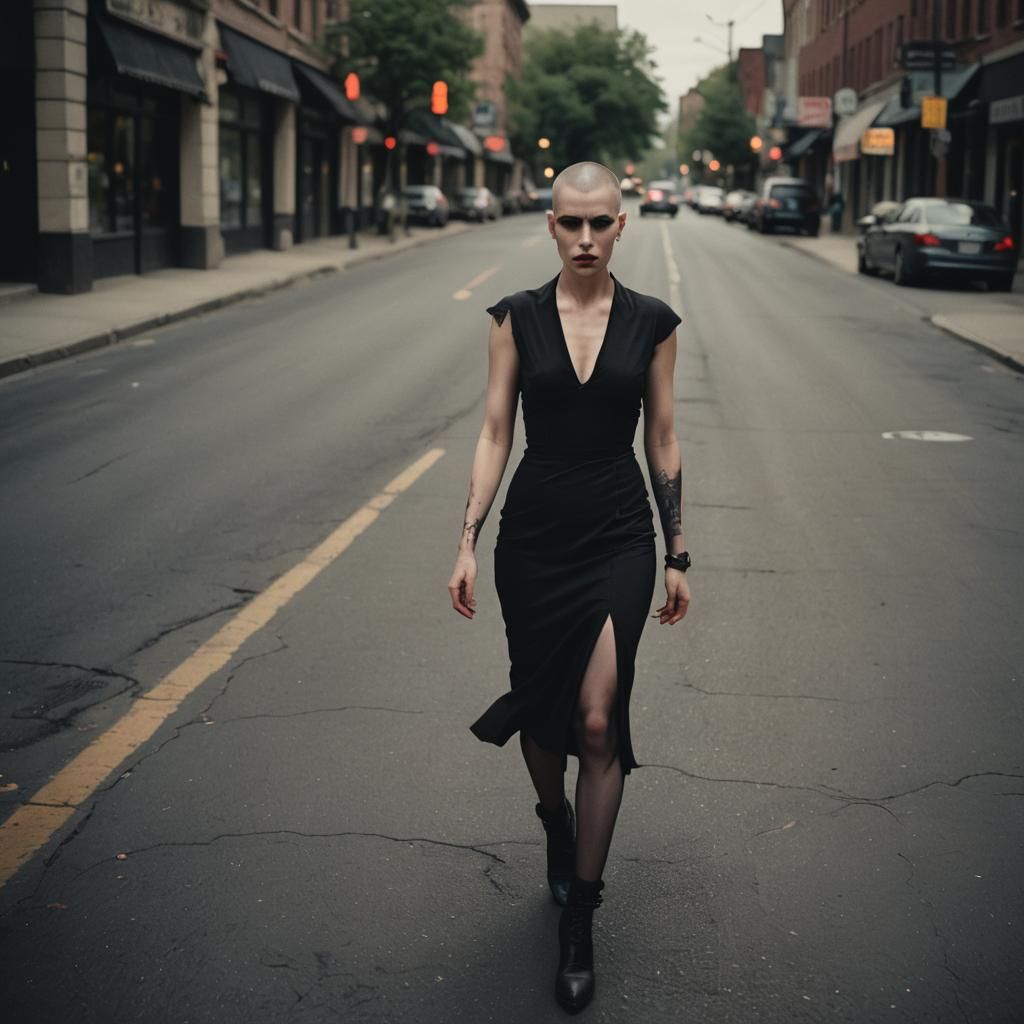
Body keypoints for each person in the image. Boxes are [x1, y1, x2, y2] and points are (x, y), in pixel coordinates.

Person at [447, 161, 691, 1014]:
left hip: (620, 534)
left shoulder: (653, 323)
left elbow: (662, 438)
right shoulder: (513, 320)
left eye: (601, 224)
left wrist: (676, 551)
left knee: (597, 716)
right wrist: (468, 539)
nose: (586, 239)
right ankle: (553, 818)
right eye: (571, 224)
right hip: (536, 539)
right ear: (549, 225)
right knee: (544, 704)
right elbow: (492, 431)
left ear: (622, 225)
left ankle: (580, 916)